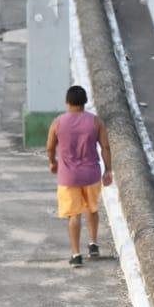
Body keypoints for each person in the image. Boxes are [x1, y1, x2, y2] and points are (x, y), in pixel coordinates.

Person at [46, 85, 113, 267]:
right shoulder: (95, 122)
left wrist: (52, 162)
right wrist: (108, 170)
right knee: (92, 209)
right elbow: (105, 147)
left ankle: (76, 255)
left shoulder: (58, 122)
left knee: (73, 215)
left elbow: (50, 147)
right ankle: (93, 244)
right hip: (91, 174)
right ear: (85, 102)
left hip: (68, 176)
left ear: (67, 102)